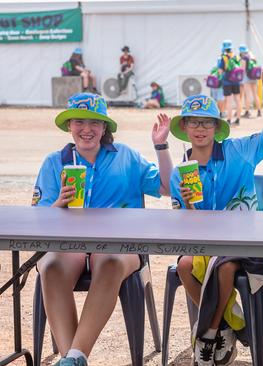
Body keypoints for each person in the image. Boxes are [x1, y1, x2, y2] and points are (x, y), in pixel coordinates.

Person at [33, 93, 173, 366]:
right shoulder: (54, 162)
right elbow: (39, 221)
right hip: (68, 246)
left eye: (94, 123)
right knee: (49, 267)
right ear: (69, 125)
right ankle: (72, 358)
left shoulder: (127, 157)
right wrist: (58, 204)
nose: (87, 129)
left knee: (108, 261)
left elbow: (167, 188)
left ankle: (73, 357)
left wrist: (161, 146)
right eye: (79, 122)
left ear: (105, 127)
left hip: (120, 247)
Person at [170, 58, 263, 366]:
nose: (200, 128)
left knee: (223, 267)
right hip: (204, 244)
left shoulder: (239, 149)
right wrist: (190, 204)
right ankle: (231, 323)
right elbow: (185, 228)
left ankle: (207, 333)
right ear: (184, 127)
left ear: (217, 128)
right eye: (193, 122)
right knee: (183, 265)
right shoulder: (181, 172)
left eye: (206, 122)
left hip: (245, 242)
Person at [218, 40, 242, 125]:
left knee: (229, 101)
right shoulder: (236, 56)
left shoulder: (223, 58)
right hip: (236, 81)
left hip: (227, 81)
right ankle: (238, 119)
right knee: (238, 100)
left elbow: (220, 71)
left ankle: (229, 120)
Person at [239, 44, 262, 119]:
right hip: (254, 77)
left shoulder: (244, 58)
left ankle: (247, 112)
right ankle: (259, 111)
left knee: (247, 95)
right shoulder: (252, 56)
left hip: (247, 78)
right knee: (255, 94)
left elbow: (242, 69)